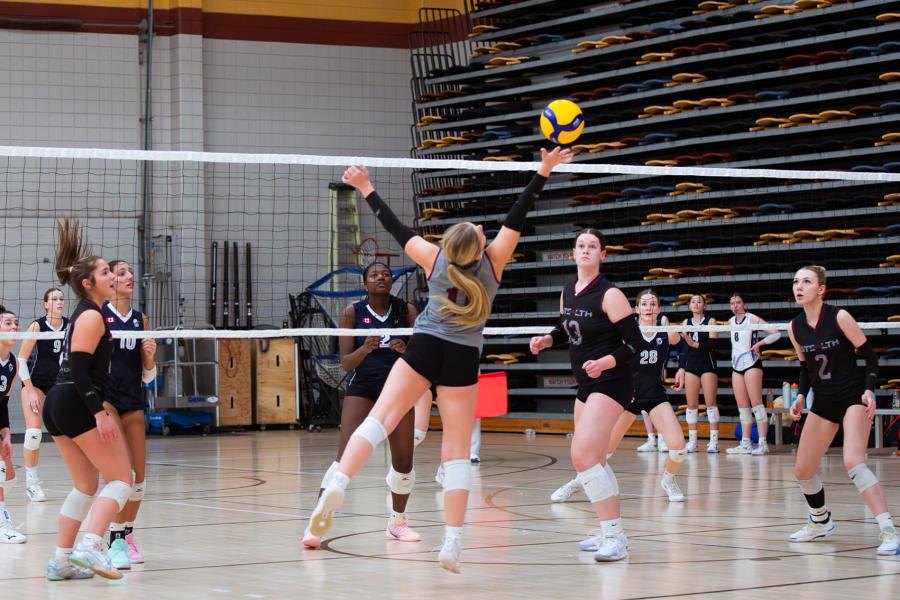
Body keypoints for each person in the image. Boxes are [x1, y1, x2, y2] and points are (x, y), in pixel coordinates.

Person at [307, 147, 572, 573]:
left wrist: (366, 187)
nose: (487, 231)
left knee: (380, 420)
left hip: (426, 345)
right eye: (482, 230)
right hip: (463, 358)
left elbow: (396, 229)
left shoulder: (436, 258)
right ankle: (452, 542)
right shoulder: (494, 263)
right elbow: (518, 216)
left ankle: (337, 484)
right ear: (480, 244)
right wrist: (543, 170)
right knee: (455, 453)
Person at [530, 228, 646, 562]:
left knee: (582, 455)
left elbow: (637, 344)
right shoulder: (569, 291)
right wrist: (546, 340)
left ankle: (616, 537)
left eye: (592, 246)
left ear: (602, 254)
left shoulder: (610, 294)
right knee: (592, 460)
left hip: (612, 382)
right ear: (573, 253)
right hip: (585, 383)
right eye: (580, 245)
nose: (585, 250)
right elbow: (564, 329)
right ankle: (608, 531)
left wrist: (607, 361)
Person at [302, 261, 425, 548]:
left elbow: (420, 357)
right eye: (374, 275)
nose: (381, 277)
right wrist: (365, 348)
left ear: (391, 281)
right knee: (344, 454)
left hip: (399, 387)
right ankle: (316, 524)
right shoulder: (351, 313)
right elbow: (345, 363)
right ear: (365, 283)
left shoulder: (406, 311)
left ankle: (397, 522)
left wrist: (406, 350)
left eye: (385, 274)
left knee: (404, 460)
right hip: (363, 386)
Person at [42, 219, 133, 580]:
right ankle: (92, 546)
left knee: (86, 485)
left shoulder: (87, 314)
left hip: (60, 403)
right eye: (106, 273)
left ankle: (61, 561)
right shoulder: (92, 316)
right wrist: (99, 412)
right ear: (87, 283)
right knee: (121, 479)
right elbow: (79, 369)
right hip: (75, 400)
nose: (113, 277)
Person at [786, 265, 898, 555]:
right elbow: (804, 368)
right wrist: (800, 397)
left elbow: (871, 357)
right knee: (802, 469)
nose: (799, 286)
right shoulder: (795, 327)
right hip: (823, 401)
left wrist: (870, 390)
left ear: (821, 289)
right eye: (796, 281)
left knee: (854, 463)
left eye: (807, 281)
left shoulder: (839, 317)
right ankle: (820, 521)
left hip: (851, 398)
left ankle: (888, 531)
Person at [549, 289, 687, 507]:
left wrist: (682, 368)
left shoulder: (665, 329)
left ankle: (669, 480)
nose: (649, 308)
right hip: (627, 395)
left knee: (678, 445)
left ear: (658, 308)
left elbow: (683, 345)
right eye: (644, 304)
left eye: (653, 304)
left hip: (654, 395)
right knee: (601, 452)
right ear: (636, 309)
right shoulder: (628, 331)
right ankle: (577, 482)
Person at [102, 260, 156, 569]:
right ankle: (115, 540)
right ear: (110, 280)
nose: (129, 277)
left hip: (134, 398)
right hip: (107, 400)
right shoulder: (100, 316)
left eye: (130, 272)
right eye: (121, 273)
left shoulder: (140, 319)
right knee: (122, 477)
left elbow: (148, 377)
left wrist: (149, 359)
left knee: (139, 481)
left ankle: (128, 535)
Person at [17, 287, 68, 502]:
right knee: (34, 433)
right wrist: (29, 390)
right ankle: (31, 483)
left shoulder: (70, 326)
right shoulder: (37, 326)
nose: (58, 302)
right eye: (54, 299)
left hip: (60, 384)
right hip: (36, 383)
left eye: (61, 298)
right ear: (46, 304)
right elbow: (20, 360)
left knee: (71, 432)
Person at [726, 294, 779, 456]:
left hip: (752, 363)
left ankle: (763, 443)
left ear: (744, 305)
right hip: (736, 365)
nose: (735, 305)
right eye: (732, 303)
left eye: (738, 302)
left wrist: (759, 344)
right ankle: (746, 443)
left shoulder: (752, 319)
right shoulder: (730, 321)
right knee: (743, 407)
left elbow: (775, 333)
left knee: (756, 403)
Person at [679, 295, 719, 453]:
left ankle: (714, 441)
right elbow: (683, 348)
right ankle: (693, 441)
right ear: (689, 306)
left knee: (711, 404)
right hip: (691, 366)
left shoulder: (711, 321)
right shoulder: (685, 323)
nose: (696, 304)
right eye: (693, 301)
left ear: (704, 305)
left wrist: (694, 344)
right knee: (691, 406)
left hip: (707, 364)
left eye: (699, 301)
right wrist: (681, 368)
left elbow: (713, 344)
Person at [0, 308, 27, 543]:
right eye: (7, 323)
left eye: (15, 323)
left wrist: (6, 432)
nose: (13, 327)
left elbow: (3, 402)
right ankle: (3, 524)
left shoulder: (12, 364)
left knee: (9, 477)